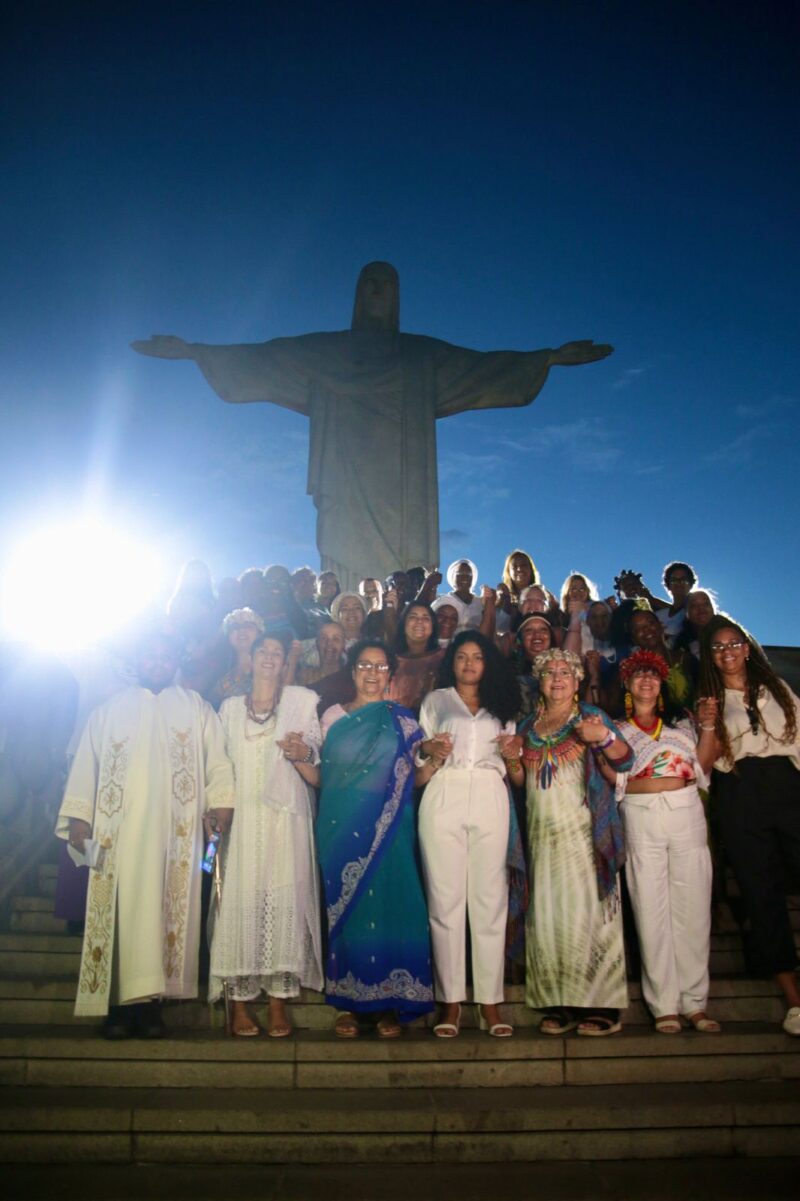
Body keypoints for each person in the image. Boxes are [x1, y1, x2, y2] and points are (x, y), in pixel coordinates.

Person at [133, 261, 612, 588]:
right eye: (370, 282)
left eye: (387, 282)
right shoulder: (325, 351)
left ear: (399, 295)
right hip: (345, 476)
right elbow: (267, 358)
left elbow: (481, 367)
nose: (378, 290)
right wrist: (197, 351)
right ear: (358, 294)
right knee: (343, 572)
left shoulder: (421, 355)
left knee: (403, 572)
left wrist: (546, 358)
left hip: (403, 489)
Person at [55, 630, 235, 1038]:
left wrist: (220, 805)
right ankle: (117, 1009)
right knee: (120, 917)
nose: (157, 660)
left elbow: (218, 762)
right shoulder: (109, 709)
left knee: (165, 912)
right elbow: (86, 764)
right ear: (138, 660)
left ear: (175, 659)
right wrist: (80, 819)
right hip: (116, 836)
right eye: (150, 654)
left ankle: (153, 1008)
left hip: (178, 837)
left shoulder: (196, 707)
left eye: (164, 654)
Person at [316, 639, 434, 1037]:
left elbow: (413, 778)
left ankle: (389, 1003)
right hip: (342, 828)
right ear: (353, 672)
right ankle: (348, 1004)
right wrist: (299, 758)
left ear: (390, 675)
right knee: (348, 913)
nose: (372, 673)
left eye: (380, 667)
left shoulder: (404, 721)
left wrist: (436, 760)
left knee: (392, 907)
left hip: (391, 831)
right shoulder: (332, 717)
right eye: (365, 665)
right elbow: (324, 775)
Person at [209, 630, 323, 1037]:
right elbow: (218, 766)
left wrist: (302, 753)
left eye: (278, 651)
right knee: (240, 906)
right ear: (251, 658)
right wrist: (217, 810)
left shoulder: (301, 702)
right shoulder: (227, 709)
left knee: (282, 905)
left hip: (285, 820)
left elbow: (316, 769)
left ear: (285, 660)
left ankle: (277, 1003)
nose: (270, 658)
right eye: (264, 651)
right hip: (243, 822)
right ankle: (239, 1005)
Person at [519, 648, 632, 1036]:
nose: (557, 678)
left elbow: (625, 760)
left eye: (565, 671)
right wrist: (509, 761)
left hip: (584, 832)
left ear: (579, 679)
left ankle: (602, 1006)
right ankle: (560, 1002)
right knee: (549, 918)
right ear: (539, 679)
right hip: (541, 834)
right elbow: (521, 783)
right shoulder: (526, 725)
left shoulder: (591, 717)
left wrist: (602, 737)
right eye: (548, 672)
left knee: (592, 917)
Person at [417, 632, 522, 1037]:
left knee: (489, 900)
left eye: (477, 657)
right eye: (461, 657)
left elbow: (515, 771)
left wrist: (514, 756)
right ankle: (450, 1003)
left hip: (491, 794)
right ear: (452, 663)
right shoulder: (436, 700)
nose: (469, 663)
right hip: (445, 790)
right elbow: (419, 755)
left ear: (488, 663)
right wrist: (431, 749)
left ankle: (491, 1004)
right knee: (444, 902)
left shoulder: (503, 704)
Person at [699, 616, 800, 1036]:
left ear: (746, 646)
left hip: (787, 785)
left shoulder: (778, 689)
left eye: (733, 643)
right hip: (740, 789)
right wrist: (707, 723)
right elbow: (706, 764)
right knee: (760, 891)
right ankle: (793, 1000)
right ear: (711, 656)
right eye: (718, 647)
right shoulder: (711, 700)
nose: (727, 652)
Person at [613, 649, 720, 1034]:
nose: (646, 681)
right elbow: (610, 775)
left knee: (692, 909)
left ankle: (694, 1002)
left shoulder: (681, 728)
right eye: (639, 675)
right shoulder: (614, 730)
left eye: (653, 676)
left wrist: (708, 726)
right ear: (627, 684)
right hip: (640, 815)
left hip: (685, 811)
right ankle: (664, 1005)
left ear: (660, 685)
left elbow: (704, 766)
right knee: (650, 908)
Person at [388, 601, 444, 713]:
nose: (419, 621)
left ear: (433, 626)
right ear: (404, 624)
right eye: (413, 617)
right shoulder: (390, 660)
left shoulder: (444, 658)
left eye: (426, 618)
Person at [209, 607, 264, 710]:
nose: (242, 630)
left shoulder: (273, 668)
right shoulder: (223, 682)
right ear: (228, 636)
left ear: (259, 634)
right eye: (235, 627)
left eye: (248, 626)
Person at [297, 621, 347, 688]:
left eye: (336, 639)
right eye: (324, 638)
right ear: (317, 643)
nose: (329, 643)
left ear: (343, 645)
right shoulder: (305, 677)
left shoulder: (351, 679)